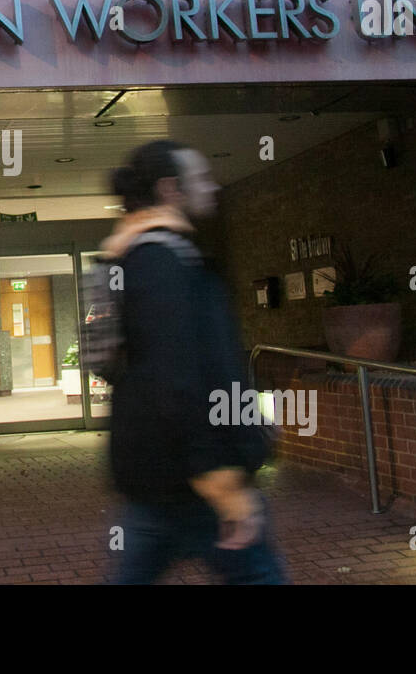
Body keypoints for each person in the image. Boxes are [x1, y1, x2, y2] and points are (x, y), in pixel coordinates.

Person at [103, 140, 285, 584]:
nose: (212, 185)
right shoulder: (160, 262)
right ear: (170, 189)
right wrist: (223, 485)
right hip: (198, 481)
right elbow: (175, 378)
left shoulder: (154, 256)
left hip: (164, 478)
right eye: (201, 177)